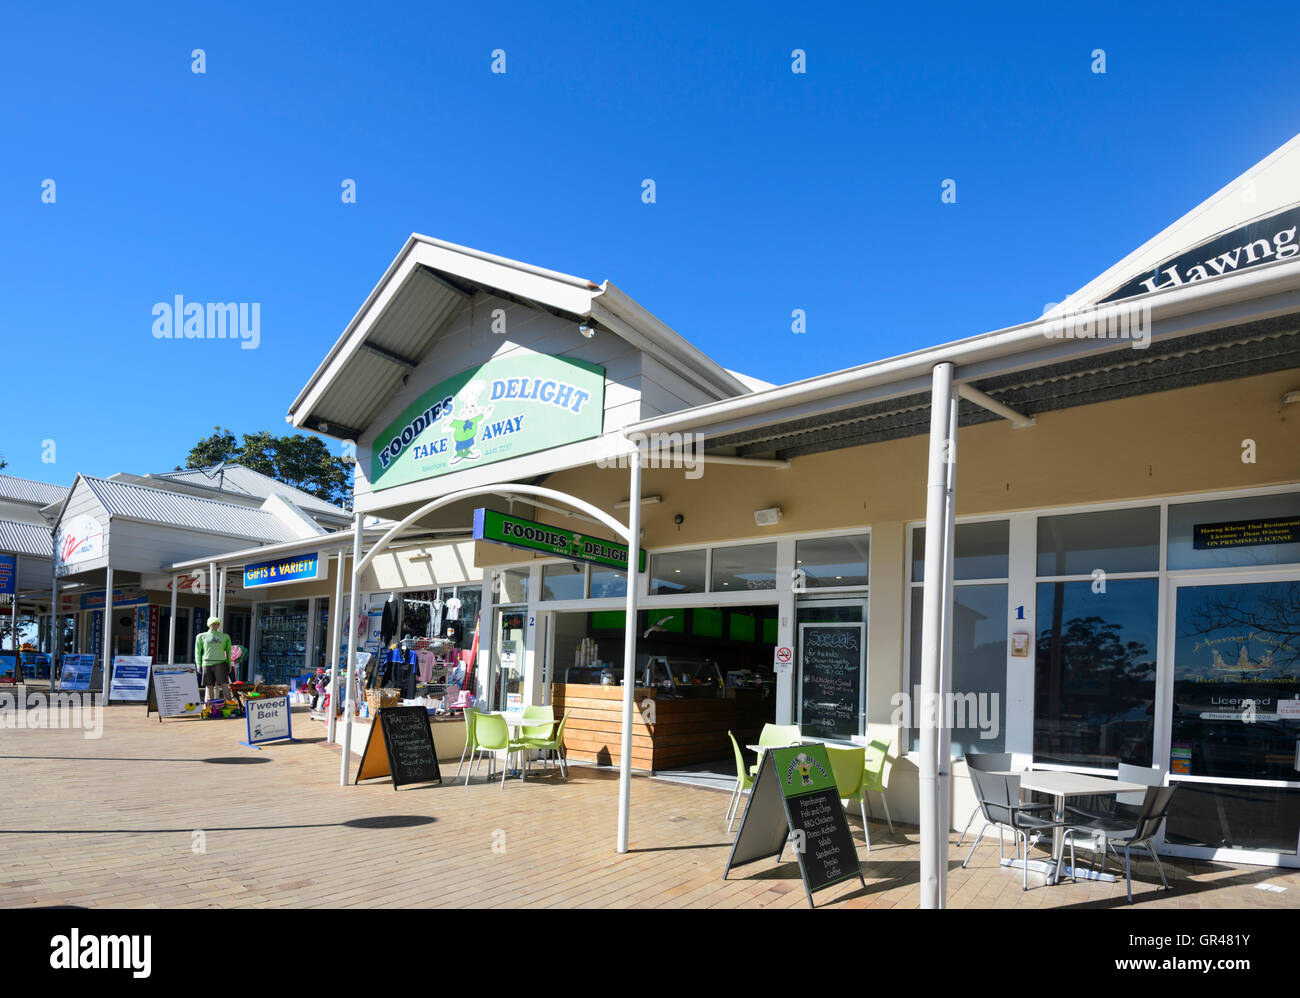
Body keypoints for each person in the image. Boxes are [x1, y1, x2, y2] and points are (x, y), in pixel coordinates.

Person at [195, 616, 233, 701]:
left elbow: (228, 651)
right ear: (209, 624)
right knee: (209, 687)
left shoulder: (225, 637)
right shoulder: (201, 636)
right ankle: (211, 707)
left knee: (224, 685)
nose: (215, 625)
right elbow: (197, 651)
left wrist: (229, 663)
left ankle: (230, 705)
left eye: (217, 624)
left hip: (221, 663)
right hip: (206, 663)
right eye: (213, 624)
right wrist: (198, 664)